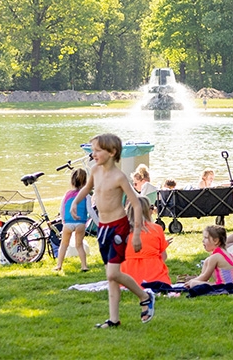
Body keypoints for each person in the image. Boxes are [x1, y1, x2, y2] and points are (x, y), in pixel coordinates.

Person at [75, 133, 154, 328]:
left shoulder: (119, 177)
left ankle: (144, 296)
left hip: (118, 226)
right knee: (111, 277)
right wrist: (75, 202)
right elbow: (87, 188)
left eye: (97, 151)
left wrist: (136, 234)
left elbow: (136, 204)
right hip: (103, 227)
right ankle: (113, 319)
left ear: (111, 152)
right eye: (93, 151)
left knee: (112, 273)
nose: (93, 154)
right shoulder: (95, 170)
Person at [120, 196, 171, 284]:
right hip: (154, 276)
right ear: (147, 211)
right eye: (151, 207)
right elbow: (164, 257)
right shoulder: (157, 229)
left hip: (127, 276)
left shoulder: (121, 230)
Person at [55, 169, 90, 272]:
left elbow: (61, 209)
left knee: (63, 244)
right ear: (85, 182)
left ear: (72, 181)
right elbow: (90, 210)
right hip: (80, 223)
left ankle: (59, 265)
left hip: (68, 222)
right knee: (79, 245)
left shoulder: (67, 194)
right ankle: (84, 266)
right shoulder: (86, 195)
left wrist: (63, 221)